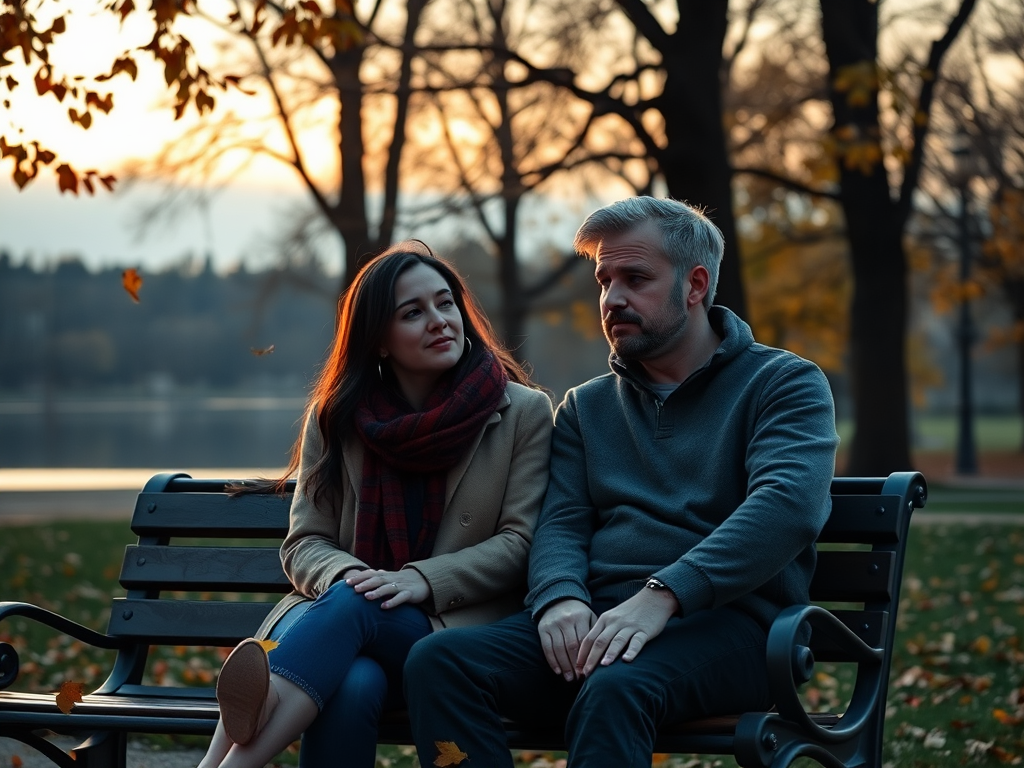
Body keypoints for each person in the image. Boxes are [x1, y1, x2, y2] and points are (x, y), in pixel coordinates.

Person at [404, 197, 840, 767]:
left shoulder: (784, 384)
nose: (612, 299)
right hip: (601, 624)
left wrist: (664, 595)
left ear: (695, 284)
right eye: (604, 280)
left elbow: (787, 508)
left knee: (617, 685)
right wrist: (559, 598)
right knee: (440, 661)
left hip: (736, 628)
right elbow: (560, 520)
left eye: (635, 278)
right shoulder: (587, 407)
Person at [197, 241, 554, 768]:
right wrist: (354, 577)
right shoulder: (336, 418)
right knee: (355, 682)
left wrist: (421, 578)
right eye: (413, 313)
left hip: (452, 635)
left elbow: (521, 542)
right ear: (379, 341)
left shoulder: (523, 411)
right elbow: (304, 543)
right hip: (340, 637)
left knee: (354, 605)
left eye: (445, 303)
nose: (439, 321)